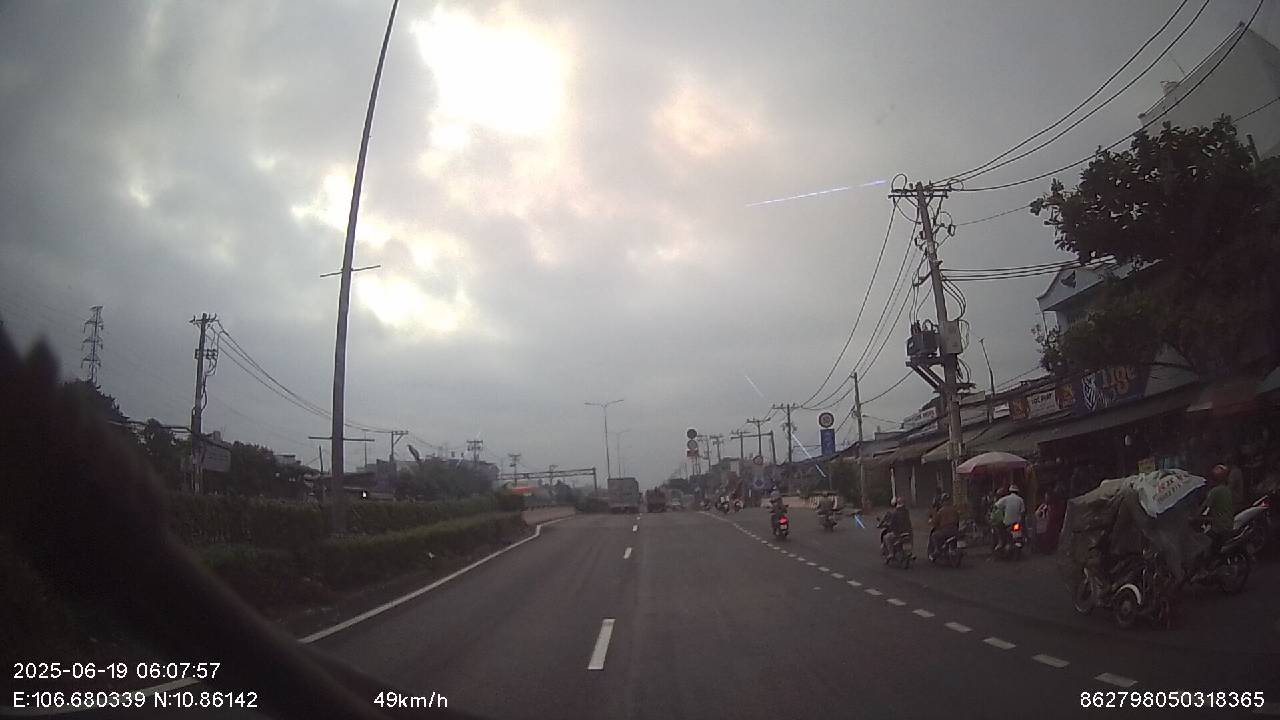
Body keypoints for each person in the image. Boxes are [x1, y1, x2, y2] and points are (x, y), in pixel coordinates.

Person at [1200, 464, 1234, 556]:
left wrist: (1194, 517)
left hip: (1220, 528)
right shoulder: (1227, 489)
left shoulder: (1215, 491)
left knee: (1203, 541)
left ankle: (1211, 559)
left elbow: (1204, 507)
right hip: (1229, 524)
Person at [992, 484, 1025, 551]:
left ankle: (1001, 542)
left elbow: (996, 506)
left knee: (999, 529)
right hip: (1017, 523)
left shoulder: (1005, 499)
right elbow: (1022, 512)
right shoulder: (1020, 499)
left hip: (1007, 523)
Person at [928, 493, 959, 559]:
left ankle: (937, 550)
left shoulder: (941, 511)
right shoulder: (954, 510)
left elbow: (935, 521)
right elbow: (957, 520)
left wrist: (932, 522)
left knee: (934, 536)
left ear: (942, 501)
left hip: (945, 532)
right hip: (955, 531)